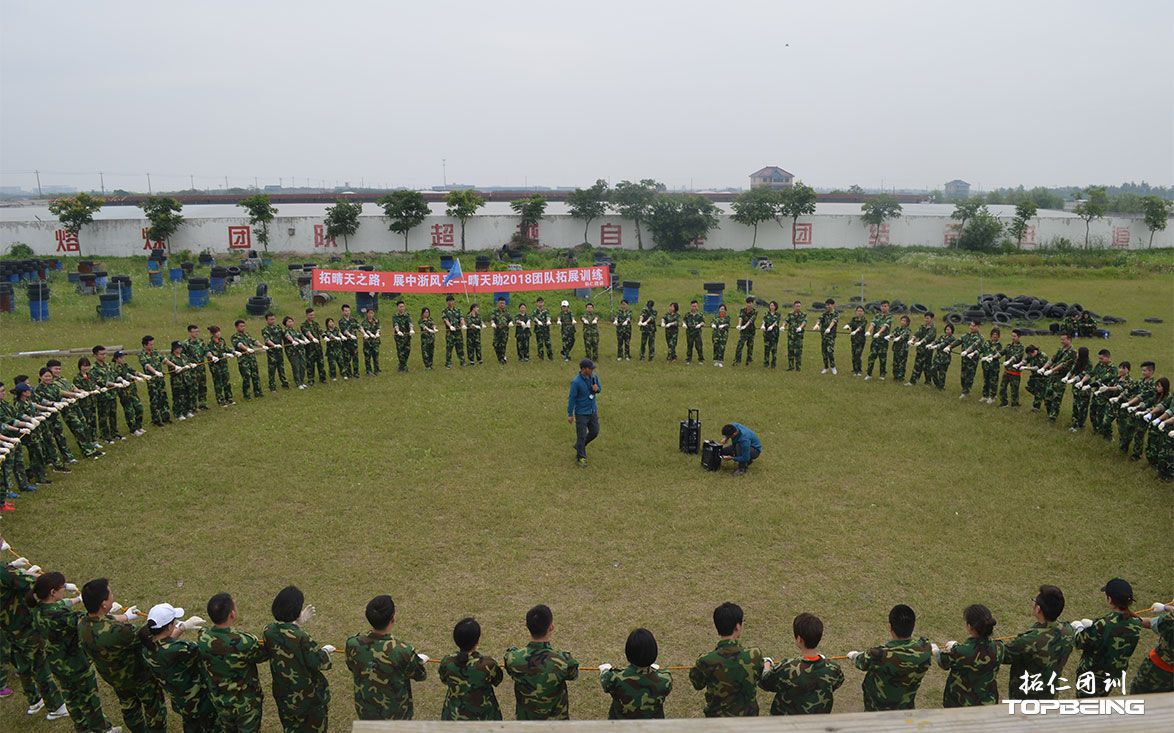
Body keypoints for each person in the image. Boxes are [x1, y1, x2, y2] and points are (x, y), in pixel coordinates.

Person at [30, 572, 118, 732]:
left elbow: (60, 604)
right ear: (52, 592)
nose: (64, 589)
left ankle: (82, 728)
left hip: (56, 663)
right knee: (90, 701)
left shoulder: (38, 609)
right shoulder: (61, 616)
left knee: (71, 699)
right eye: (62, 587)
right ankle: (103, 730)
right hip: (75, 664)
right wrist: (119, 615)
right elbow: (91, 622)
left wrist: (77, 599)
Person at [78, 578, 167, 731]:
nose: (112, 595)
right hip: (139, 676)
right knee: (154, 708)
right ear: (104, 604)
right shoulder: (119, 632)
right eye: (110, 593)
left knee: (129, 707)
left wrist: (125, 616)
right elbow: (147, 635)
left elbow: (103, 621)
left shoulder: (82, 624)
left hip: (114, 677)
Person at [0, 540, 65, 719]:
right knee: (39, 664)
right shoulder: (5, 573)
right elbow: (31, 583)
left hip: (7, 626)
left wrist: (12, 565)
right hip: (21, 623)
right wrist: (32, 574)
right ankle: (56, 706)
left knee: (22, 665)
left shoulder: (5, 570)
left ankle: (34, 700)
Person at [263, 586, 333, 732]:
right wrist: (326, 651)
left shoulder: (268, 631)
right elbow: (316, 662)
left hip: (284, 695)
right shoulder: (301, 637)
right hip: (307, 698)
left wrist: (297, 623)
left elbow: (284, 637)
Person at [345, 594, 427, 720]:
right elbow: (420, 675)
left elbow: (351, 666)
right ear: (393, 618)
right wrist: (418, 660)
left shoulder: (353, 644)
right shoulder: (403, 651)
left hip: (366, 710)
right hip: (396, 715)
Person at [197, 592, 271, 731]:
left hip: (220, 700)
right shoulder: (244, 642)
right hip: (245, 705)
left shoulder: (203, 637)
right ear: (232, 614)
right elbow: (263, 655)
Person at [140, 602, 218, 732]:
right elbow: (205, 649)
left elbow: (164, 643)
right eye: (174, 622)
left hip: (180, 700)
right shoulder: (180, 649)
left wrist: (182, 627)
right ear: (169, 626)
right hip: (200, 700)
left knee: (191, 725)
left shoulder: (147, 648)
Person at [848, 604, 932, 711]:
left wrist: (854, 655)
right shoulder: (925, 648)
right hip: (905, 705)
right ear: (913, 625)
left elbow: (861, 662)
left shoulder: (879, 654)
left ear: (890, 627)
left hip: (877, 707)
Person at [758, 612, 843, 716]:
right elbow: (838, 681)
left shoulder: (787, 667)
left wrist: (767, 664)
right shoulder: (833, 668)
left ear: (799, 639)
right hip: (818, 723)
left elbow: (765, 682)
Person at [503, 604, 579, 720]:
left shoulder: (513, 659)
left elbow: (509, 661)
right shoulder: (563, 660)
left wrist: (513, 650)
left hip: (527, 722)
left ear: (527, 625)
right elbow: (573, 675)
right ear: (551, 627)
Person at [1001, 584, 1075, 700]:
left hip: (1026, 698)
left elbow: (1001, 654)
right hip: (1050, 694)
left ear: (1038, 608)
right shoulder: (1068, 631)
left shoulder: (1029, 641)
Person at [689, 601, 763, 717]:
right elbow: (760, 677)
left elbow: (697, 684)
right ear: (738, 626)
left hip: (717, 720)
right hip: (748, 719)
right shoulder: (754, 655)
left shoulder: (705, 661)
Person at [1072, 578, 1142, 697]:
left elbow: (1079, 642)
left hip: (1092, 675)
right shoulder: (1136, 623)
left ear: (1109, 599)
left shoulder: (1103, 624)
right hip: (1114, 674)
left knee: (1085, 707)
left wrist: (1079, 628)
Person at [934, 604, 1004, 707]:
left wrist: (935, 650)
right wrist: (956, 646)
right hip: (988, 703)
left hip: (961, 705)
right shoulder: (999, 647)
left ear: (969, 626)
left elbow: (943, 661)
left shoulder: (961, 651)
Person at [598, 627, 672, 719]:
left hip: (620, 726)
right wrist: (655, 670)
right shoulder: (665, 679)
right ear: (654, 652)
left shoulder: (615, 678)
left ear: (628, 653)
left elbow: (605, 680)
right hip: (653, 727)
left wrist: (605, 669)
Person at [439, 617, 503, 721]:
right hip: (484, 718)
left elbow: (444, 679)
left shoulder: (447, 662)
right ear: (477, 641)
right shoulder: (488, 664)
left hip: (454, 717)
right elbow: (497, 680)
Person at [44, 358, 99, 457]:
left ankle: (90, 447)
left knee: (84, 426)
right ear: (49, 369)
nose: (58, 371)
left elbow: (72, 386)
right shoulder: (51, 382)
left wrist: (80, 391)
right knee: (78, 428)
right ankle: (87, 451)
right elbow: (61, 392)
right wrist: (74, 395)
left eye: (59, 369)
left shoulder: (62, 379)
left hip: (75, 405)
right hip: (67, 409)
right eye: (56, 369)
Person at [31, 367, 77, 465]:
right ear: (40, 377)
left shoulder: (54, 387)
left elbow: (59, 396)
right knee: (48, 439)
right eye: (46, 376)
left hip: (55, 416)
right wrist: (51, 405)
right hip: (45, 418)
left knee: (60, 436)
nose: (48, 378)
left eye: (50, 376)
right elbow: (39, 402)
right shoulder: (37, 390)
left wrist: (65, 400)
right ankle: (53, 459)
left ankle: (68, 456)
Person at [1129, 602, 1173, 694]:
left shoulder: (1171, 621)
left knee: (1138, 698)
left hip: (1158, 670)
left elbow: (1150, 623)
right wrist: (1166, 607)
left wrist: (1127, 621)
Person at [567, 358, 601, 467]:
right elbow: (572, 398)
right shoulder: (576, 382)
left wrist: (597, 389)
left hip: (592, 411)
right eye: (590, 368)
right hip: (581, 413)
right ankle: (581, 457)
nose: (592, 370)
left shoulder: (594, 377)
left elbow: (599, 388)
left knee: (595, 431)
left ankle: (579, 446)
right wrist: (570, 414)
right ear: (583, 369)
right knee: (581, 435)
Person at [1119, 360, 1155, 459]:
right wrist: (1120, 397)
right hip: (1133, 410)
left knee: (1139, 434)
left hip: (1143, 412)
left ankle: (1136, 454)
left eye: (1145, 371)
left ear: (1151, 371)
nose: (1143, 372)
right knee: (1128, 428)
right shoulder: (1140, 381)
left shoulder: (1153, 385)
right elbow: (1130, 389)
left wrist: (1128, 403)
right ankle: (1124, 447)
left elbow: (1141, 396)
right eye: (1142, 370)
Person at [91, 344, 123, 441]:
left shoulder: (108, 365)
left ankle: (114, 433)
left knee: (113, 415)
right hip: (103, 396)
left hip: (112, 394)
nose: (104, 356)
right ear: (95, 355)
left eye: (105, 354)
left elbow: (114, 375)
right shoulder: (93, 369)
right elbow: (101, 382)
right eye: (101, 354)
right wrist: (114, 384)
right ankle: (105, 435)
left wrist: (120, 380)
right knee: (103, 416)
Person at [1042, 332, 1076, 422]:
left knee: (1056, 398)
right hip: (1053, 376)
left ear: (1069, 340)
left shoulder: (1072, 352)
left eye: (1063, 339)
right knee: (1047, 396)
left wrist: (1051, 370)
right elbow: (1052, 359)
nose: (1061, 341)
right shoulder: (1060, 349)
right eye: (1061, 339)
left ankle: (1052, 418)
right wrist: (1044, 368)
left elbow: (1063, 364)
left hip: (1061, 377)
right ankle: (1049, 413)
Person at [138, 337, 172, 425]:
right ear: (145, 345)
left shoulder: (155, 352)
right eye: (150, 344)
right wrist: (155, 372)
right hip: (152, 380)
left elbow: (164, 360)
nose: (152, 346)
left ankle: (166, 416)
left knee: (163, 397)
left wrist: (175, 366)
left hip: (160, 379)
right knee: (155, 399)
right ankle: (156, 419)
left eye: (153, 344)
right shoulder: (142, 355)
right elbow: (147, 365)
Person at [1086, 349, 1117, 438]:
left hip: (1105, 396)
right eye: (1099, 359)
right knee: (1092, 412)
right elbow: (1092, 373)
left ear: (1108, 357)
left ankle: (1105, 433)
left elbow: (1103, 379)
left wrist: (1090, 385)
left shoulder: (1112, 369)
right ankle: (1096, 430)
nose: (1100, 361)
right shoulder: (1099, 365)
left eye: (1102, 359)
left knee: (1102, 414)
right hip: (1096, 394)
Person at [231, 320, 264, 401]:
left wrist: (262, 345)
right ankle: (247, 395)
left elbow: (254, 341)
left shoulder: (247, 334)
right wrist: (247, 349)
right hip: (243, 360)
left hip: (252, 359)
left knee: (255, 375)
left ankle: (258, 392)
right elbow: (239, 344)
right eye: (241, 326)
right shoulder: (234, 337)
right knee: (246, 377)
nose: (243, 327)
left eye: (244, 326)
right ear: (236, 327)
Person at [205, 326, 235, 406]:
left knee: (226, 380)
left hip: (223, 364)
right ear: (212, 333)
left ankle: (229, 398)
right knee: (218, 382)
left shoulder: (221, 340)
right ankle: (220, 400)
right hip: (215, 365)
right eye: (216, 332)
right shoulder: (210, 342)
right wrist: (225, 354)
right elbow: (214, 353)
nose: (218, 333)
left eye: (219, 331)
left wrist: (233, 352)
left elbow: (225, 348)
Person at [165, 340, 196, 419]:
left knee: (187, 395)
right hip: (177, 381)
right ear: (174, 348)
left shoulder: (183, 356)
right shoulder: (171, 358)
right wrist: (184, 368)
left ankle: (187, 411)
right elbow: (174, 369)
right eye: (178, 348)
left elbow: (187, 363)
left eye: (180, 348)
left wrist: (191, 365)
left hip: (186, 379)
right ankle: (178, 413)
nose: (180, 349)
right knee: (178, 397)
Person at [182, 324, 210, 411]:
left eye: (197, 331)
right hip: (192, 369)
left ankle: (203, 403)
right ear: (190, 333)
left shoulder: (200, 341)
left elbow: (206, 350)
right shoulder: (186, 344)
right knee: (193, 387)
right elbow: (183, 356)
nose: (196, 333)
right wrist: (189, 363)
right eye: (194, 332)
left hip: (201, 367)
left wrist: (211, 356)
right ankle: (193, 406)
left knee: (202, 385)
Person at [261, 312, 291, 391]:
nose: (272, 321)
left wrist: (293, 340)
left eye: (273, 319)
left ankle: (285, 384)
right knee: (272, 370)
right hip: (272, 353)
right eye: (270, 319)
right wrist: (274, 345)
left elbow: (286, 334)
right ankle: (272, 386)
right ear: (267, 320)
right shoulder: (265, 330)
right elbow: (267, 340)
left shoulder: (278, 327)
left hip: (279, 352)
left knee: (281, 368)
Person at [998, 329, 1026, 407]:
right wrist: (991, 357)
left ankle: (1015, 405)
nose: (1013, 338)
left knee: (1014, 390)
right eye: (1012, 336)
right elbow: (1001, 353)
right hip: (1007, 372)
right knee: (1002, 388)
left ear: (1019, 337)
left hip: (1015, 373)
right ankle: (1004, 403)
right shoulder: (1009, 346)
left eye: (1015, 336)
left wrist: (1009, 361)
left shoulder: (1021, 347)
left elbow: (1016, 356)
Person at [957, 320, 985, 398]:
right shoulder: (966, 335)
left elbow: (974, 345)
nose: (971, 327)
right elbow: (957, 341)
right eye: (970, 325)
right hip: (964, 359)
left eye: (973, 326)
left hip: (972, 360)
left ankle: (966, 392)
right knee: (963, 376)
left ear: (978, 327)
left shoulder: (980, 337)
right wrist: (948, 347)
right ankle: (964, 389)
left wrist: (966, 351)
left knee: (969, 376)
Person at [907, 312, 936, 385]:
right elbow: (917, 333)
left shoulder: (933, 328)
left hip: (927, 350)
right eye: (925, 318)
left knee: (927, 367)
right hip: (920, 349)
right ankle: (913, 381)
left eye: (928, 318)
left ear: (932, 319)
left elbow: (928, 336)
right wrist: (912, 339)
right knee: (917, 365)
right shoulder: (922, 326)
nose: (926, 320)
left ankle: (928, 382)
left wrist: (920, 342)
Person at [865, 300, 892, 380]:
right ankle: (869, 374)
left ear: (888, 307)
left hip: (883, 341)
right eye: (882, 306)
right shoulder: (877, 315)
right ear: (880, 307)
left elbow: (885, 326)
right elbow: (873, 324)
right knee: (871, 357)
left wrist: (879, 333)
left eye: (885, 306)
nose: (884, 308)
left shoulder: (889, 316)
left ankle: (882, 375)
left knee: (882, 358)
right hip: (875, 341)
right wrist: (868, 331)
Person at [1067, 346, 1092, 431]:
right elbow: (1072, 370)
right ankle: (1074, 423)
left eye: (1078, 353)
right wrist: (1067, 376)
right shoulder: (1077, 361)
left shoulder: (1089, 364)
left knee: (1082, 408)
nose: (1077, 354)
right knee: (1075, 406)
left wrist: (1074, 379)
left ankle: (1079, 425)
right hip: (1076, 388)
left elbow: (1085, 374)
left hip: (1084, 389)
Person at [300, 307, 327, 385]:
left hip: (318, 347)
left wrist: (324, 336)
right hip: (310, 348)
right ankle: (311, 379)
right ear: (307, 315)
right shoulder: (303, 325)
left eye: (313, 315)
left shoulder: (316, 324)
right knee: (310, 365)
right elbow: (307, 332)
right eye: (310, 315)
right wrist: (313, 338)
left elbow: (320, 331)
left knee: (321, 363)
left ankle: (322, 378)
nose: (312, 316)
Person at [929, 323, 959, 390]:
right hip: (937, 357)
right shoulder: (942, 336)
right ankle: (937, 384)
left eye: (948, 330)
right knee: (932, 369)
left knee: (942, 373)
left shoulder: (952, 339)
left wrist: (936, 346)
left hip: (945, 359)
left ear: (952, 331)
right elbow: (936, 341)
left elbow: (944, 344)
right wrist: (931, 344)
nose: (947, 331)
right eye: (946, 329)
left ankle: (941, 387)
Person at [979, 327, 1003, 404]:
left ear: (998, 336)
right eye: (993, 334)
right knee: (986, 381)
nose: (994, 336)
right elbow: (981, 349)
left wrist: (991, 357)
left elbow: (998, 354)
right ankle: (985, 396)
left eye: (996, 335)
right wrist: (975, 353)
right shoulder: (987, 343)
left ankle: (992, 397)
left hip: (994, 366)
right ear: (991, 335)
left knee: (993, 381)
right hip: (985, 366)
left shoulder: (999, 345)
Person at [282, 316, 307, 389]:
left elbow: (301, 335)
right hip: (292, 352)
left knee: (303, 365)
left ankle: (302, 381)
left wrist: (305, 339)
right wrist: (294, 341)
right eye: (288, 322)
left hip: (300, 350)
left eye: (291, 321)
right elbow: (289, 336)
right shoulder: (285, 330)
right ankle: (298, 383)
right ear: (285, 323)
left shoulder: (296, 329)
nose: (290, 323)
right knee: (296, 367)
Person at [442, 294, 466, 368]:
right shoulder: (445, 311)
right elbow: (445, 320)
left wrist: (463, 325)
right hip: (450, 333)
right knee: (449, 348)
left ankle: (462, 362)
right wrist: (450, 326)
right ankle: (448, 363)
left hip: (458, 332)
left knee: (460, 347)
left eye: (452, 301)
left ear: (454, 301)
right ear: (447, 302)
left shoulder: (458, 310)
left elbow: (461, 318)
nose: (450, 302)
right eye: (449, 301)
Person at [816, 299, 839, 375]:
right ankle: (826, 367)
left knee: (830, 351)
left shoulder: (836, 313)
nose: (828, 306)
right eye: (827, 305)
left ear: (833, 305)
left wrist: (829, 328)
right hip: (824, 336)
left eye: (829, 305)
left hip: (831, 336)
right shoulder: (825, 313)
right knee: (824, 352)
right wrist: (817, 324)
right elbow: (819, 319)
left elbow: (834, 321)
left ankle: (833, 367)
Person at [339, 303, 362, 378]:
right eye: (345, 311)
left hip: (354, 343)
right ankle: (348, 373)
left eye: (348, 310)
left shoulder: (353, 319)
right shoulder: (341, 321)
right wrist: (350, 335)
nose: (347, 312)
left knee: (355, 358)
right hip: (346, 343)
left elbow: (359, 327)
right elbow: (344, 330)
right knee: (347, 359)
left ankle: (356, 373)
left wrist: (364, 333)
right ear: (342, 312)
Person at [1024, 345, 1049, 411]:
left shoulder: (1042, 356)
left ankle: (1036, 407)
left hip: (1043, 377)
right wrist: (1019, 364)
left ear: (1034, 351)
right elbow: (1025, 360)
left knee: (1039, 391)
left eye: (1030, 354)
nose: (1030, 355)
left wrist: (1025, 368)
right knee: (1030, 387)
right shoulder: (1031, 355)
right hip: (1034, 376)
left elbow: (1037, 368)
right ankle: (1040, 398)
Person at [733, 297, 757, 366]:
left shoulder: (755, 312)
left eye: (751, 303)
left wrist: (745, 326)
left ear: (753, 304)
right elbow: (740, 317)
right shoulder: (742, 310)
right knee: (739, 346)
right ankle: (737, 361)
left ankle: (749, 361)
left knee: (750, 347)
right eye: (748, 303)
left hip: (751, 331)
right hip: (743, 332)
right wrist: (739, 325)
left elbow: (751, 320)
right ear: (746, 304)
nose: (749, 305)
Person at [392, 300, 413, 372]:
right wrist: (398, 331)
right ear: (397, 307)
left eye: (403, 306)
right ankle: (403, 366)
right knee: (400, 351)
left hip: (407, 336)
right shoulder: (395, 316)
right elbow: (395, 325)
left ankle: (403, 364)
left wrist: (411, 329)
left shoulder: (407, 315)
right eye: (400, 307)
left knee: (407, 350)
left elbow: (410, 323)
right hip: (399, 337)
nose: (402, 308)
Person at [846, 305, 867, 377]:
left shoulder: (864, 320)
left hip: (861, 340)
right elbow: (851, 323)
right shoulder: (853, 319)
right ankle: (855, 369)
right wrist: (848, 326)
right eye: (858, 311)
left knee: (858, 354)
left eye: (861, 311)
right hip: (853, 340)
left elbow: (861, 327)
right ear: (856, 312)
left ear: (863, 312)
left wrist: (855, 331)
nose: (859, 312)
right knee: (854, 355)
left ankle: (858, 370)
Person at [890, 315, 912, 383]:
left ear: (907, 323)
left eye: (904, 321)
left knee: (902, 363)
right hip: (896, 348)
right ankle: (895, 376)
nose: (902, 322)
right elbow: (893, 333)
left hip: (903, 349)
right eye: (902, 320)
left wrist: (898, 338)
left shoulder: (908, 330)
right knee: (895, 362)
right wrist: (891, 336)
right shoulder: (898, 328)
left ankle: (901, 377)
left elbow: (904, 335)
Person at [360, 307, 382, 375]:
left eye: (372, 313)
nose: (371, 315)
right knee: (367, 357)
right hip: (367, 343)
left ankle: (377, 370)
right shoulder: (364, 322)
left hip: (375, 342)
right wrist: (370, 334)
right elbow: (366, 330)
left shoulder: (376, 321)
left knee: (376, 357)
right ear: (367, 314)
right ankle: (368, 371)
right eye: (369, 313)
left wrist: (378, 332)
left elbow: (378, 327)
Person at [683, 300, 705, 364]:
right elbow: (684, 320)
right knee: (689, 346)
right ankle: (688, 359)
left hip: (697, 333)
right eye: (692, 306)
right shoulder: (687, 314)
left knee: (699, 347)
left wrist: (700, 324)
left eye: (695, 306)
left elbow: (703, 322)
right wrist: (684, 324)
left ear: (697, 306)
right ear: (691, 306)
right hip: (689, 333)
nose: (694, 308)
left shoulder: (700, 314)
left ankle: (701, 359)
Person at [491, 297, 511, 364]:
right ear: (498, 303)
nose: (502, 304)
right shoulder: (494, 311)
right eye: (501, 303)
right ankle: (501, 357)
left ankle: (502, 358)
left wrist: (510, 323)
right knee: (496, 345)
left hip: (505, 332)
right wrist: (493, 323)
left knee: (503, 345)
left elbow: (510, 319)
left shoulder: (507, 312)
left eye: (503, 303)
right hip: (497, 332)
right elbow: (492, 319)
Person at [533, 297, 554, 361]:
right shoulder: (535, 311)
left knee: (548, 343)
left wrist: (548, 321)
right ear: (537, 303)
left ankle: (550, 357)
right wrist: (538, 321)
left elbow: (548, 316)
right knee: (540, 344)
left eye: (542, 302)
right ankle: (541, 357)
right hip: (538, 330)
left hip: (546, 330)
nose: (540, 304)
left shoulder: (546, 311)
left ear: (543, 303)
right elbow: (533, 317)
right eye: (539, 302)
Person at [761, 300, 780, 368]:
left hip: (774, 334)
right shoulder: (766, 313)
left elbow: (777, 321)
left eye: (773, 305)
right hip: (767, 334)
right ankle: (766, 363)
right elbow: (764, 320)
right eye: (771, 305)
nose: (772, 307)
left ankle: (773, 364)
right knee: (766, 349)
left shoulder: (777, 314)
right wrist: (763, 325)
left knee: (774, 349)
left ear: (775, 306)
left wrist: (772, 326)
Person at [711, 303, 730, 367]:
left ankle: (720, 361)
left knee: (722, 348)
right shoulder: (715, 317)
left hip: (723, 335)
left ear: (725, 310)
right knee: (716, 347)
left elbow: (728, 324)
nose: (722, 310)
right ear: (719, 310)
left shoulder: (727, 317)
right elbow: (712, 322)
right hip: (715, 335)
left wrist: (724, 325)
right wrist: (712, 325)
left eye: (723, 309)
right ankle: (716, 360)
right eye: (721, 309)